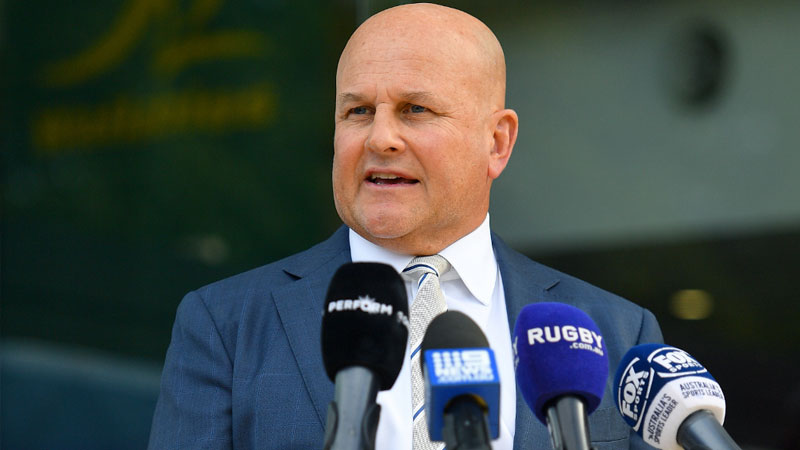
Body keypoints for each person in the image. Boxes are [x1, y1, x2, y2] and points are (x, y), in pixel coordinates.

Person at [148, 3, 662, 449]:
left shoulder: (616, 332)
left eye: (415, 109)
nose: (380, 138)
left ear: (497, 142)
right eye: (358, 111)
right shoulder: (226, 324)